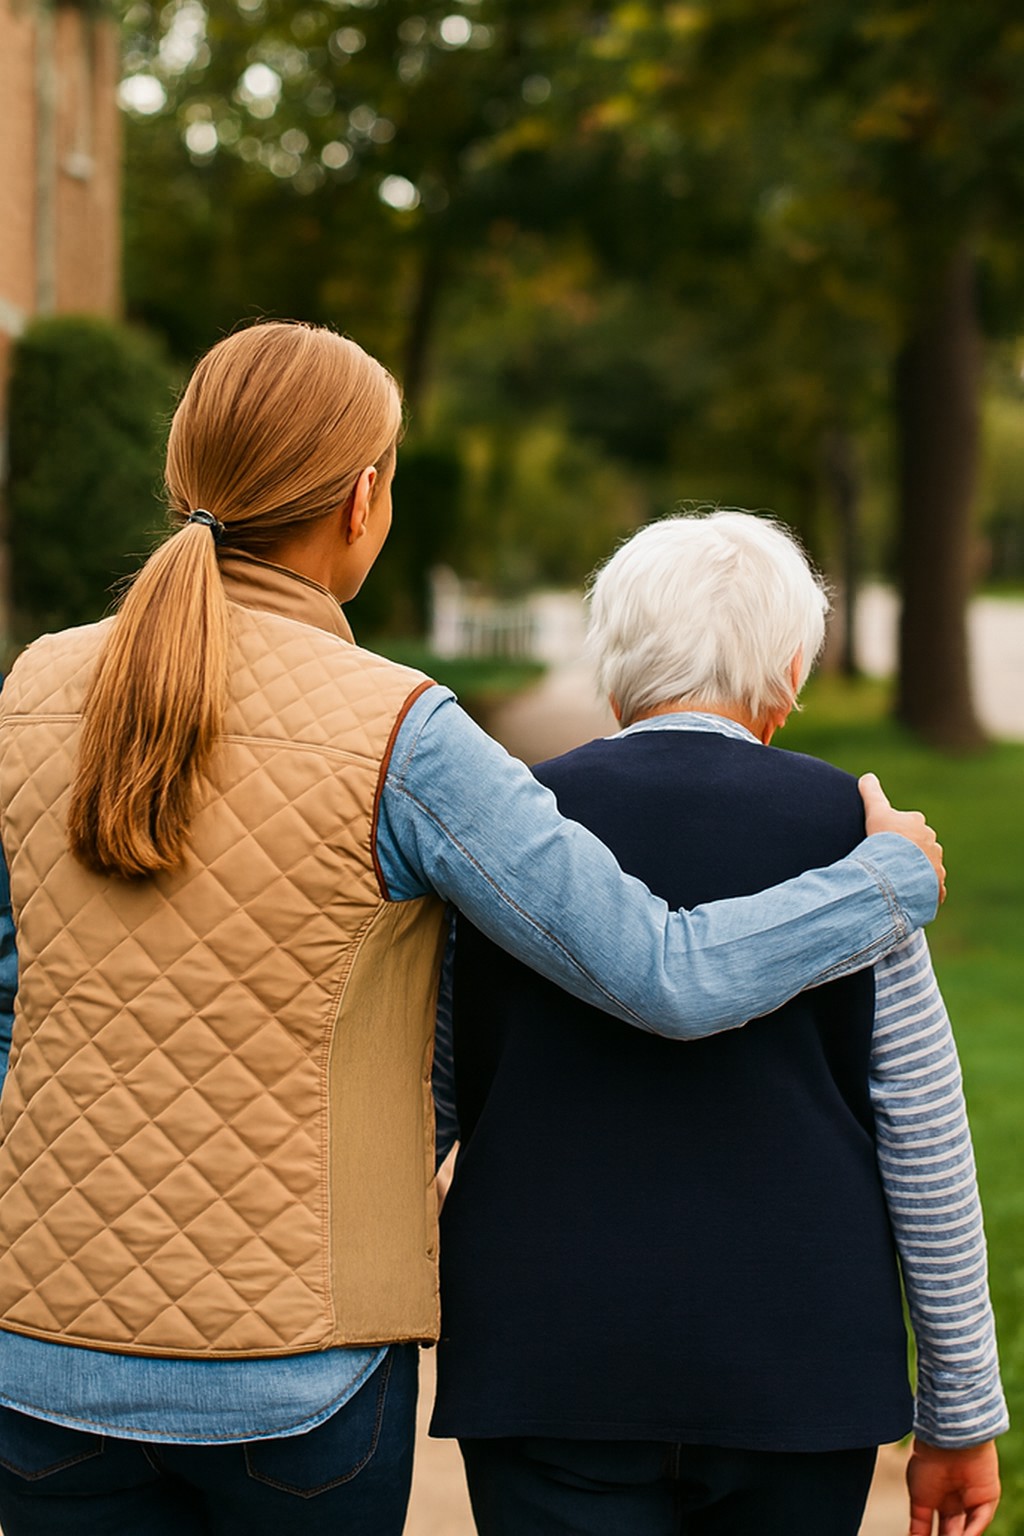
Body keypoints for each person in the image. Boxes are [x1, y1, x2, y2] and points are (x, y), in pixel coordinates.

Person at [0, 324, 942, 1536]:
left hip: (43, 1354)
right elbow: (661, 972)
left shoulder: (30, 690)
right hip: (301, 1370)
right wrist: (877, 880)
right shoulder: (405, 734)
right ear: (363, 498)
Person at [433, 512, 1006, 1536]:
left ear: (612, 667)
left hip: (548, 1358)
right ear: (788, 675)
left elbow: (419, 1092)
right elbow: (923, 1129)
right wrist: (958, 1411)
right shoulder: (860, 842)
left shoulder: (509, 827)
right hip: (802, 1367)